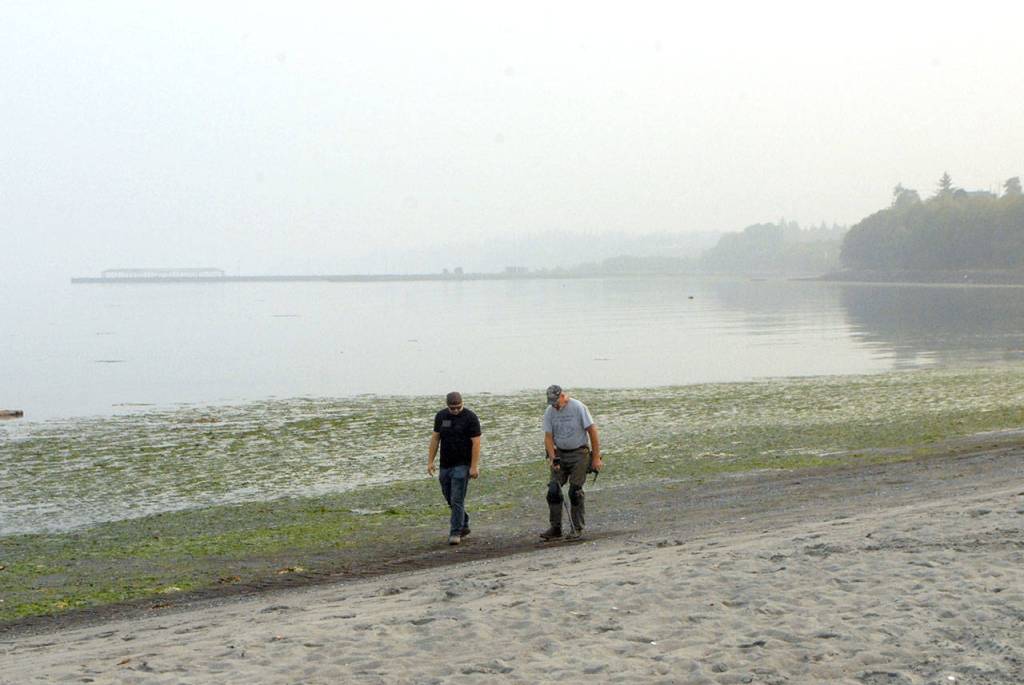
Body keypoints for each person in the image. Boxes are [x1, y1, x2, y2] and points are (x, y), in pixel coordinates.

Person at [540, 384, 602, 540]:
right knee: (553, 490)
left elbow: (592, 431)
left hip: (579, 453)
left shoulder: (578, 407)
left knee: (575, 491)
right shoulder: (549, 412)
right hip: (560, 454)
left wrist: (596, 457)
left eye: (555, 402)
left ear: (562, 396)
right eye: (551, 403)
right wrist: (552, 458)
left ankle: (577, 528)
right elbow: (548, 437)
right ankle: (555, 528)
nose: (554, 406)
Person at [427, 391, 481, 545]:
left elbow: (476, 443)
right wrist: (430, 461)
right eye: (453, 408)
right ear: (447, 406)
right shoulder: (441, 416)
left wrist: (474, 466)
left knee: (457, 498)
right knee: (449, 497)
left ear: (462, 403)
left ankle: (455, 532)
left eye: (458, 407)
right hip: (445, 464)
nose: (456, 410)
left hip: (463, 465)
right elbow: (435, 438)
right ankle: (464, 521)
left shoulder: (470, 417)